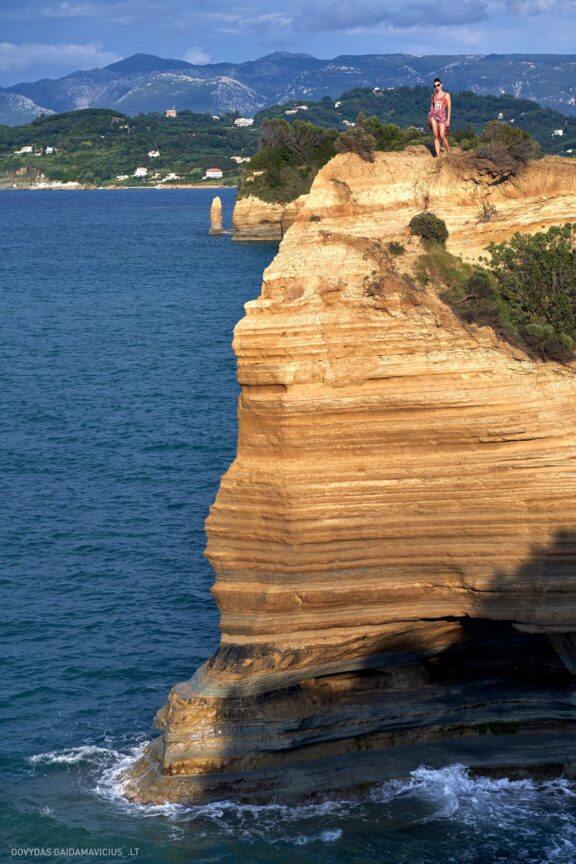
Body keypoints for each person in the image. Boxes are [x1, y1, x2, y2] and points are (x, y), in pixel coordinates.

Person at [428, 78, 451, 157]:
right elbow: (431, 107)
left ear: (441, 85)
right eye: (435, 86)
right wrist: (429, 118)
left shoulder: (446, 95)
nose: (436, 87)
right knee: (435, 135)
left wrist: (448, 120)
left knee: (442, 135)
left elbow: (449, 108)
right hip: (433, 115)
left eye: (438, 85)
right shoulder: (433, 95)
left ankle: (448, 151)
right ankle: (438, 154)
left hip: (442, 115)